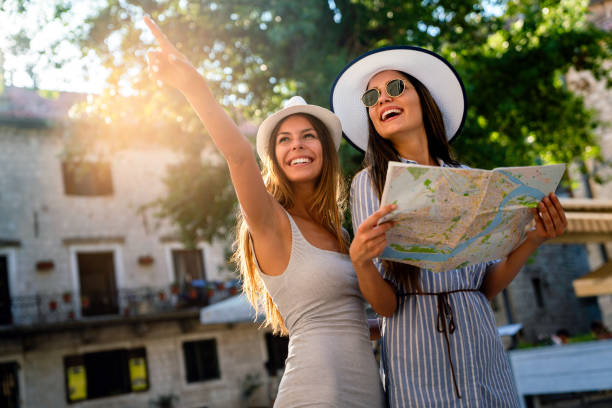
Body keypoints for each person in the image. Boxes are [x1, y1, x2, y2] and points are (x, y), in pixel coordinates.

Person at [143, 17, 384, 407]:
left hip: (367, 392)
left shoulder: (341, 233)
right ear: (274, 158)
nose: (297, 146)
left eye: (308, 136)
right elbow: (238, 157)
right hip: (315, 392)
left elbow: (346, 321)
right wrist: (192, 85)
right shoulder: (270, 221)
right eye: (284, 140)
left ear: (324, 149)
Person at [330, 45, 568, 407]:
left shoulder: (468, 178)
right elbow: (385, 306)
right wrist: (361, 262)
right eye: (371, 97)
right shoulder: (368, 183)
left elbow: (486, 285)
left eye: (395, 88)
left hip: (482, 345)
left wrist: (533, 237)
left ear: (424, 100)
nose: (382, 100)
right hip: (415, 355)